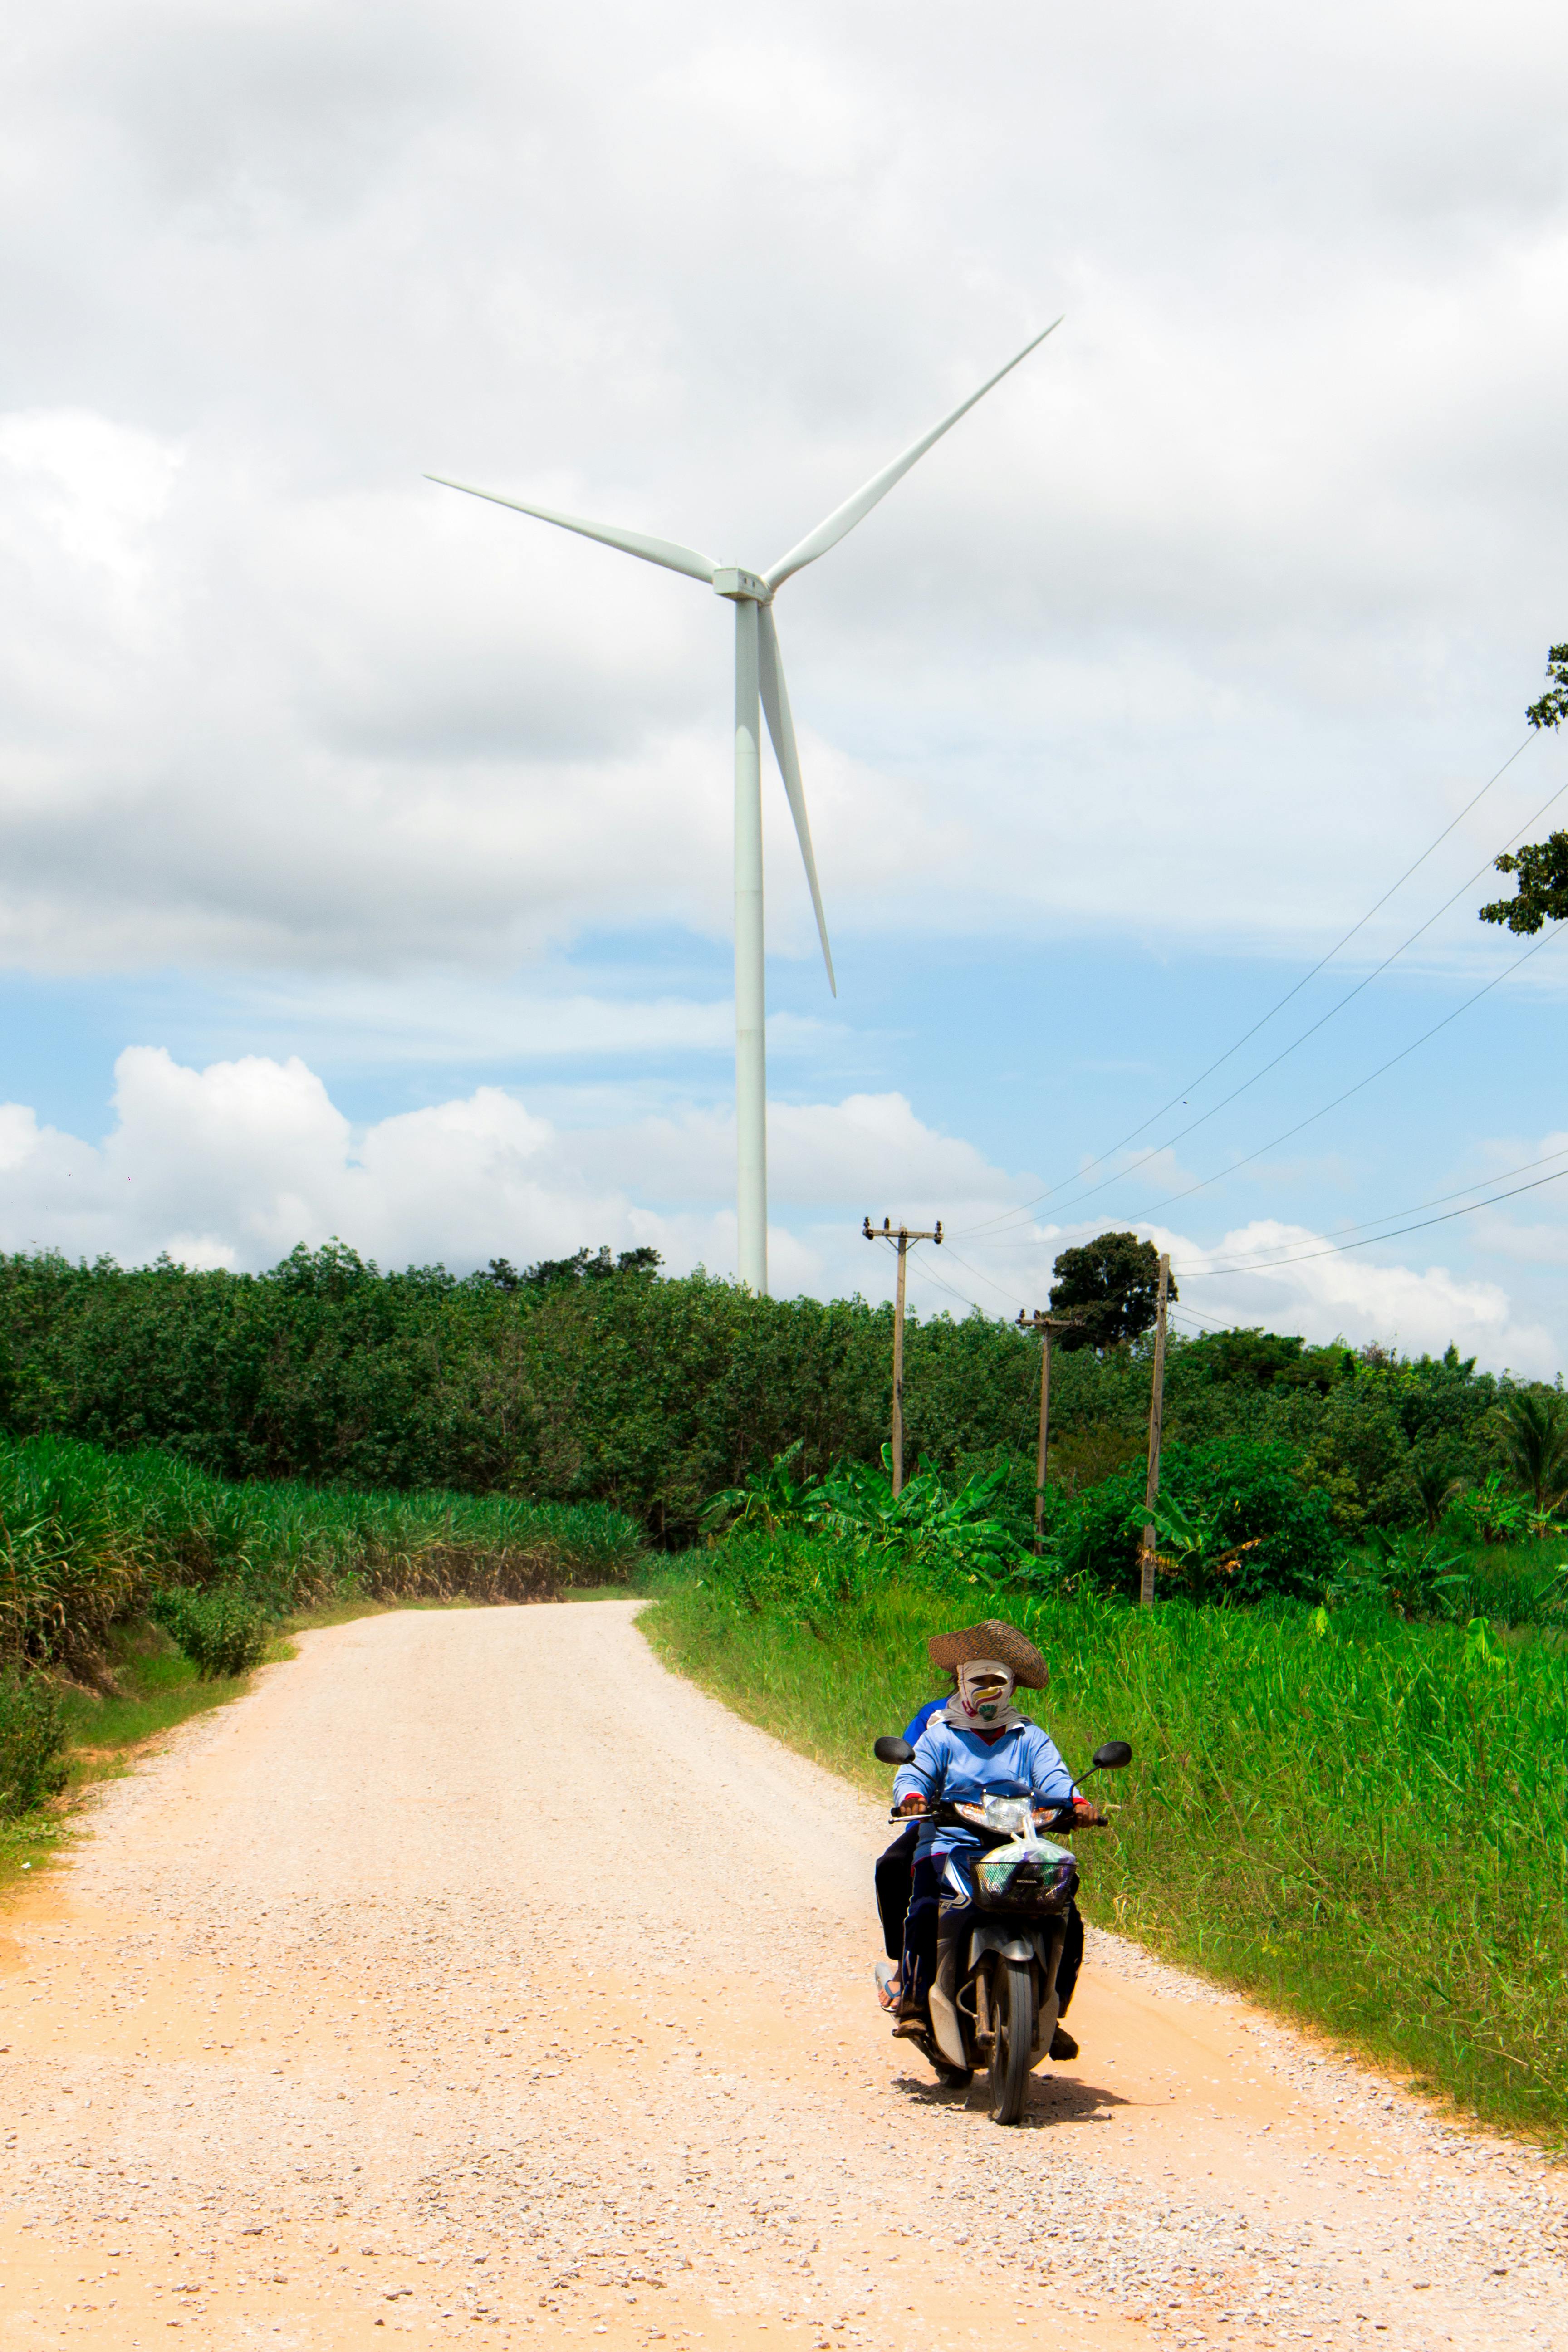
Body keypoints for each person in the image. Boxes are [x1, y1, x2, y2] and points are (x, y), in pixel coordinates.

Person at [874, 1618, 1097, 2061]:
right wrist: (914, 1797)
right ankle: (915, 1998)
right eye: (980, 1680)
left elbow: (1055, 1777)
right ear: (962, 1681)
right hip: (952, 1837)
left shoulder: (1029, 1736)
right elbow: (914, 1771)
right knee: (921, 1902)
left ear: (1013, 1685)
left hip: (1020, 1841)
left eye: (998, 1680)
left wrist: (1077, 1802)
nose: (989, 1689)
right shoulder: (941, 1732)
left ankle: (1050, 2012)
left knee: (1067, 1911)